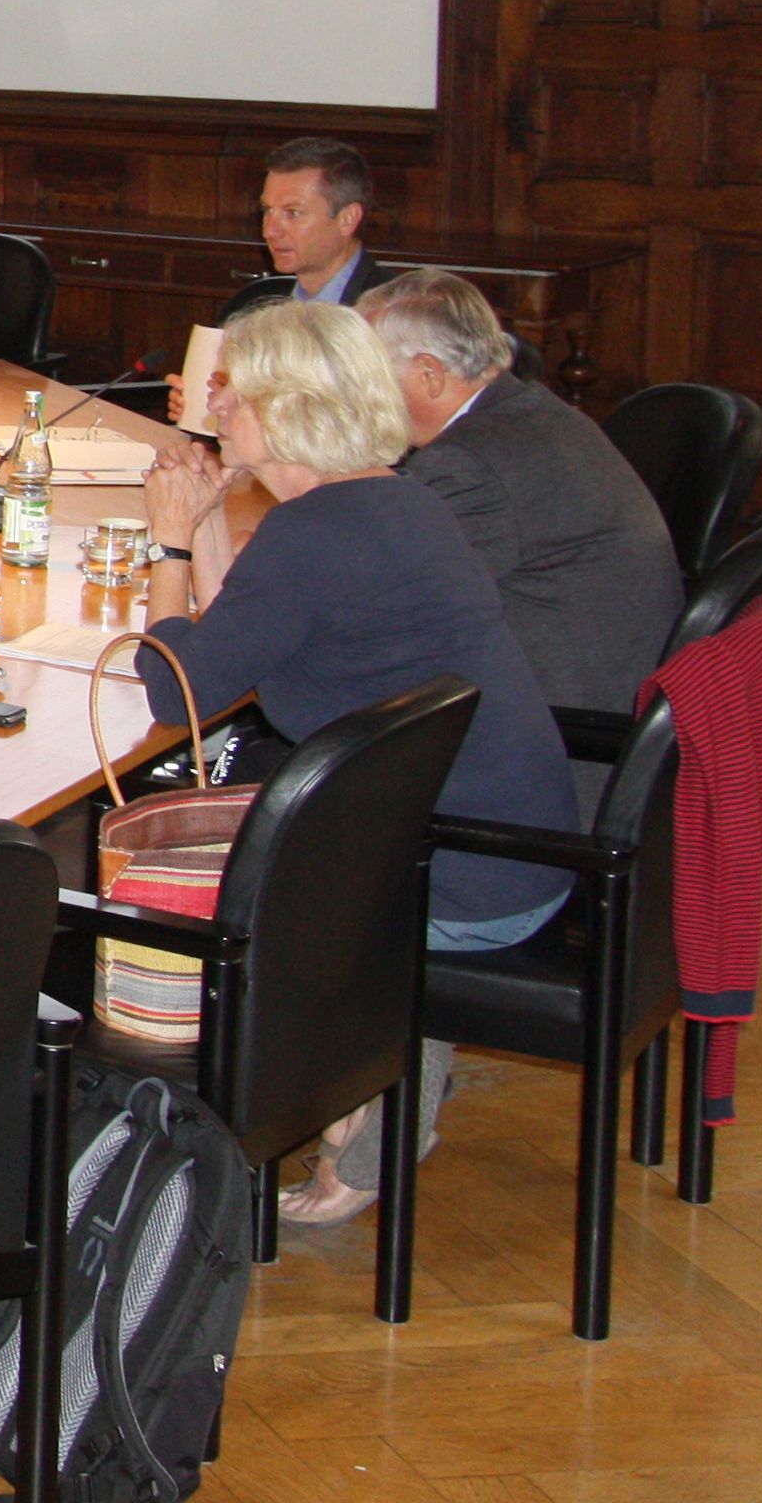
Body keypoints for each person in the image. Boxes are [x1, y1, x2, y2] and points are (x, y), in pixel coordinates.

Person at [140, 300, 579, 1226]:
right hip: (512, 838)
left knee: (181, 884)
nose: (216, 399)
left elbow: (175, 686)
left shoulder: (317, 533)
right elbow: (242, 637)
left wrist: (171, 542)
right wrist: (212, 518)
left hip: (460, 874)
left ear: (290, 408)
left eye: (235, 388)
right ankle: (365, 1087)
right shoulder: (389, 501)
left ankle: (349, 1103)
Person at [359, 270, 683, 786]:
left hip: (559, 759)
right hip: (602, 719)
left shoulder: (470, 464)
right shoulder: (527, 414)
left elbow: (368, 611)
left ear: (429, 375)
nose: (352, 392)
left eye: (363, 373)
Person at [222, 136, 402, 318]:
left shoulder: (393, 313)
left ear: (347, 219)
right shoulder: (250, 305)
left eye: (293, 213)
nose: (269, 231)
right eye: (267, 210)